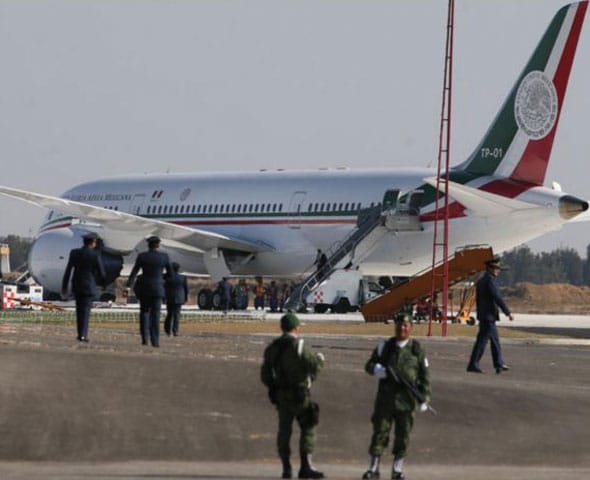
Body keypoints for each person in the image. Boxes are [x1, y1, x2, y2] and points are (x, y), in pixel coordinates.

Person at [362, 314, 431, 480]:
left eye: (406, 326)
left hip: (406, 402)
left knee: (403, 436)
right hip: (385, 401)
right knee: (379, 433)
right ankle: (373, 468)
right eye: (400, 325)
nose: (402, 329)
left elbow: (424, 376)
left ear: (411, 328)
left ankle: (397, 470)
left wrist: (424, 397)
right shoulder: (385, 347)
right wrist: (377, 369)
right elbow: (369, 365)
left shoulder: (417, 350)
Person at [261, 313, 325, 479]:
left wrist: (273, 388)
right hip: (299, 394)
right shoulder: (300, 347)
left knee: (284, 430)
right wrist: (320, 360)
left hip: (281, 394)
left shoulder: (273, 348)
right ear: (296, 327)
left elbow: (265, 374)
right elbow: (314, 366)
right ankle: (306, 465)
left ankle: (286, 467)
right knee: (308, 426)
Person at [467, 258, 514, 374]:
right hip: (488, 316)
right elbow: (497, 297)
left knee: (493, 341)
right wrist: (507, 312)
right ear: (490, 268)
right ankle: (475, 364)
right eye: (496, 269)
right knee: (483, 341)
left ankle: (498, 364)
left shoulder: (482, 280)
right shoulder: (489, 281)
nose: (498, 271)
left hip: (484, 315)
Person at [127, 236, 172, 347]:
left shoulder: (142, 256)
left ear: (148, 245)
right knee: (155, 315)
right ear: (158, 245)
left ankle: (144, 339)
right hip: (158, 289)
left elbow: (134, 272)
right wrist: (160, 278)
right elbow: (170, 274)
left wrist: (129, 285)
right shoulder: (164, 257)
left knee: (144, 313)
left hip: (145, 288)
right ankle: (155, 340)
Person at [61, 232, 106, 342]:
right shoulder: (95, 255)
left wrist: (64, 286)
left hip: (77, 285)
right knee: (86, 311)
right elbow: (102, 273)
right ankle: (83, 335)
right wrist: (103, 284)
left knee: (79, 310)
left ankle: (80, 333)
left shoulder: (75, 253)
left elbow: (68, 270)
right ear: (93, 243)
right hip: (89, 286)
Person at [164, 262, 188, 336]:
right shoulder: (183, 277)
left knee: (169, 314)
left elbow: (164, 286)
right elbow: (186, 289)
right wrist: (185, 298)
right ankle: (175, 331)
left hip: (170, 297)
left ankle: (168, 330)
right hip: (179, 298)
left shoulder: (167, 277)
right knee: (177, 315)